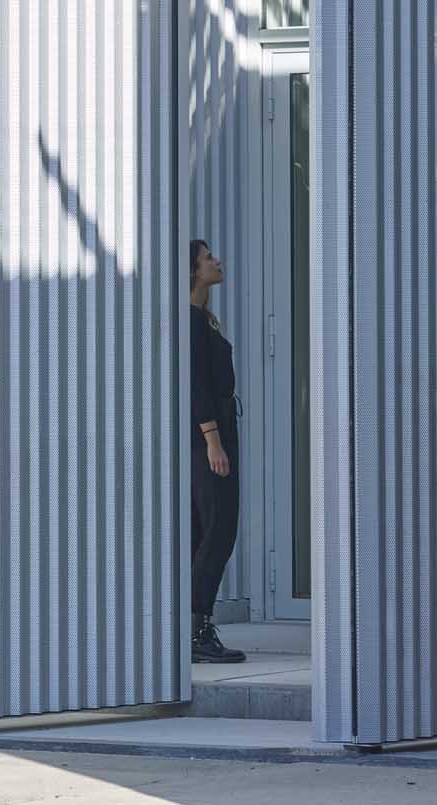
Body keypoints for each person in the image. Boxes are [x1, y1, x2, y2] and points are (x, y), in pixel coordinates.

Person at [189, 240, 246, 663]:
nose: (217, 261)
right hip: (208, 439)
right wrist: (213, 442)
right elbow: (197, 387)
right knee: (218, 532)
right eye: (208, 257)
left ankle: (193, 628)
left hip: (216, 434)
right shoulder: (191, 322)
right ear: (192, 270)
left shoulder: (203, 321)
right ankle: (197, 631)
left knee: (205, 534)